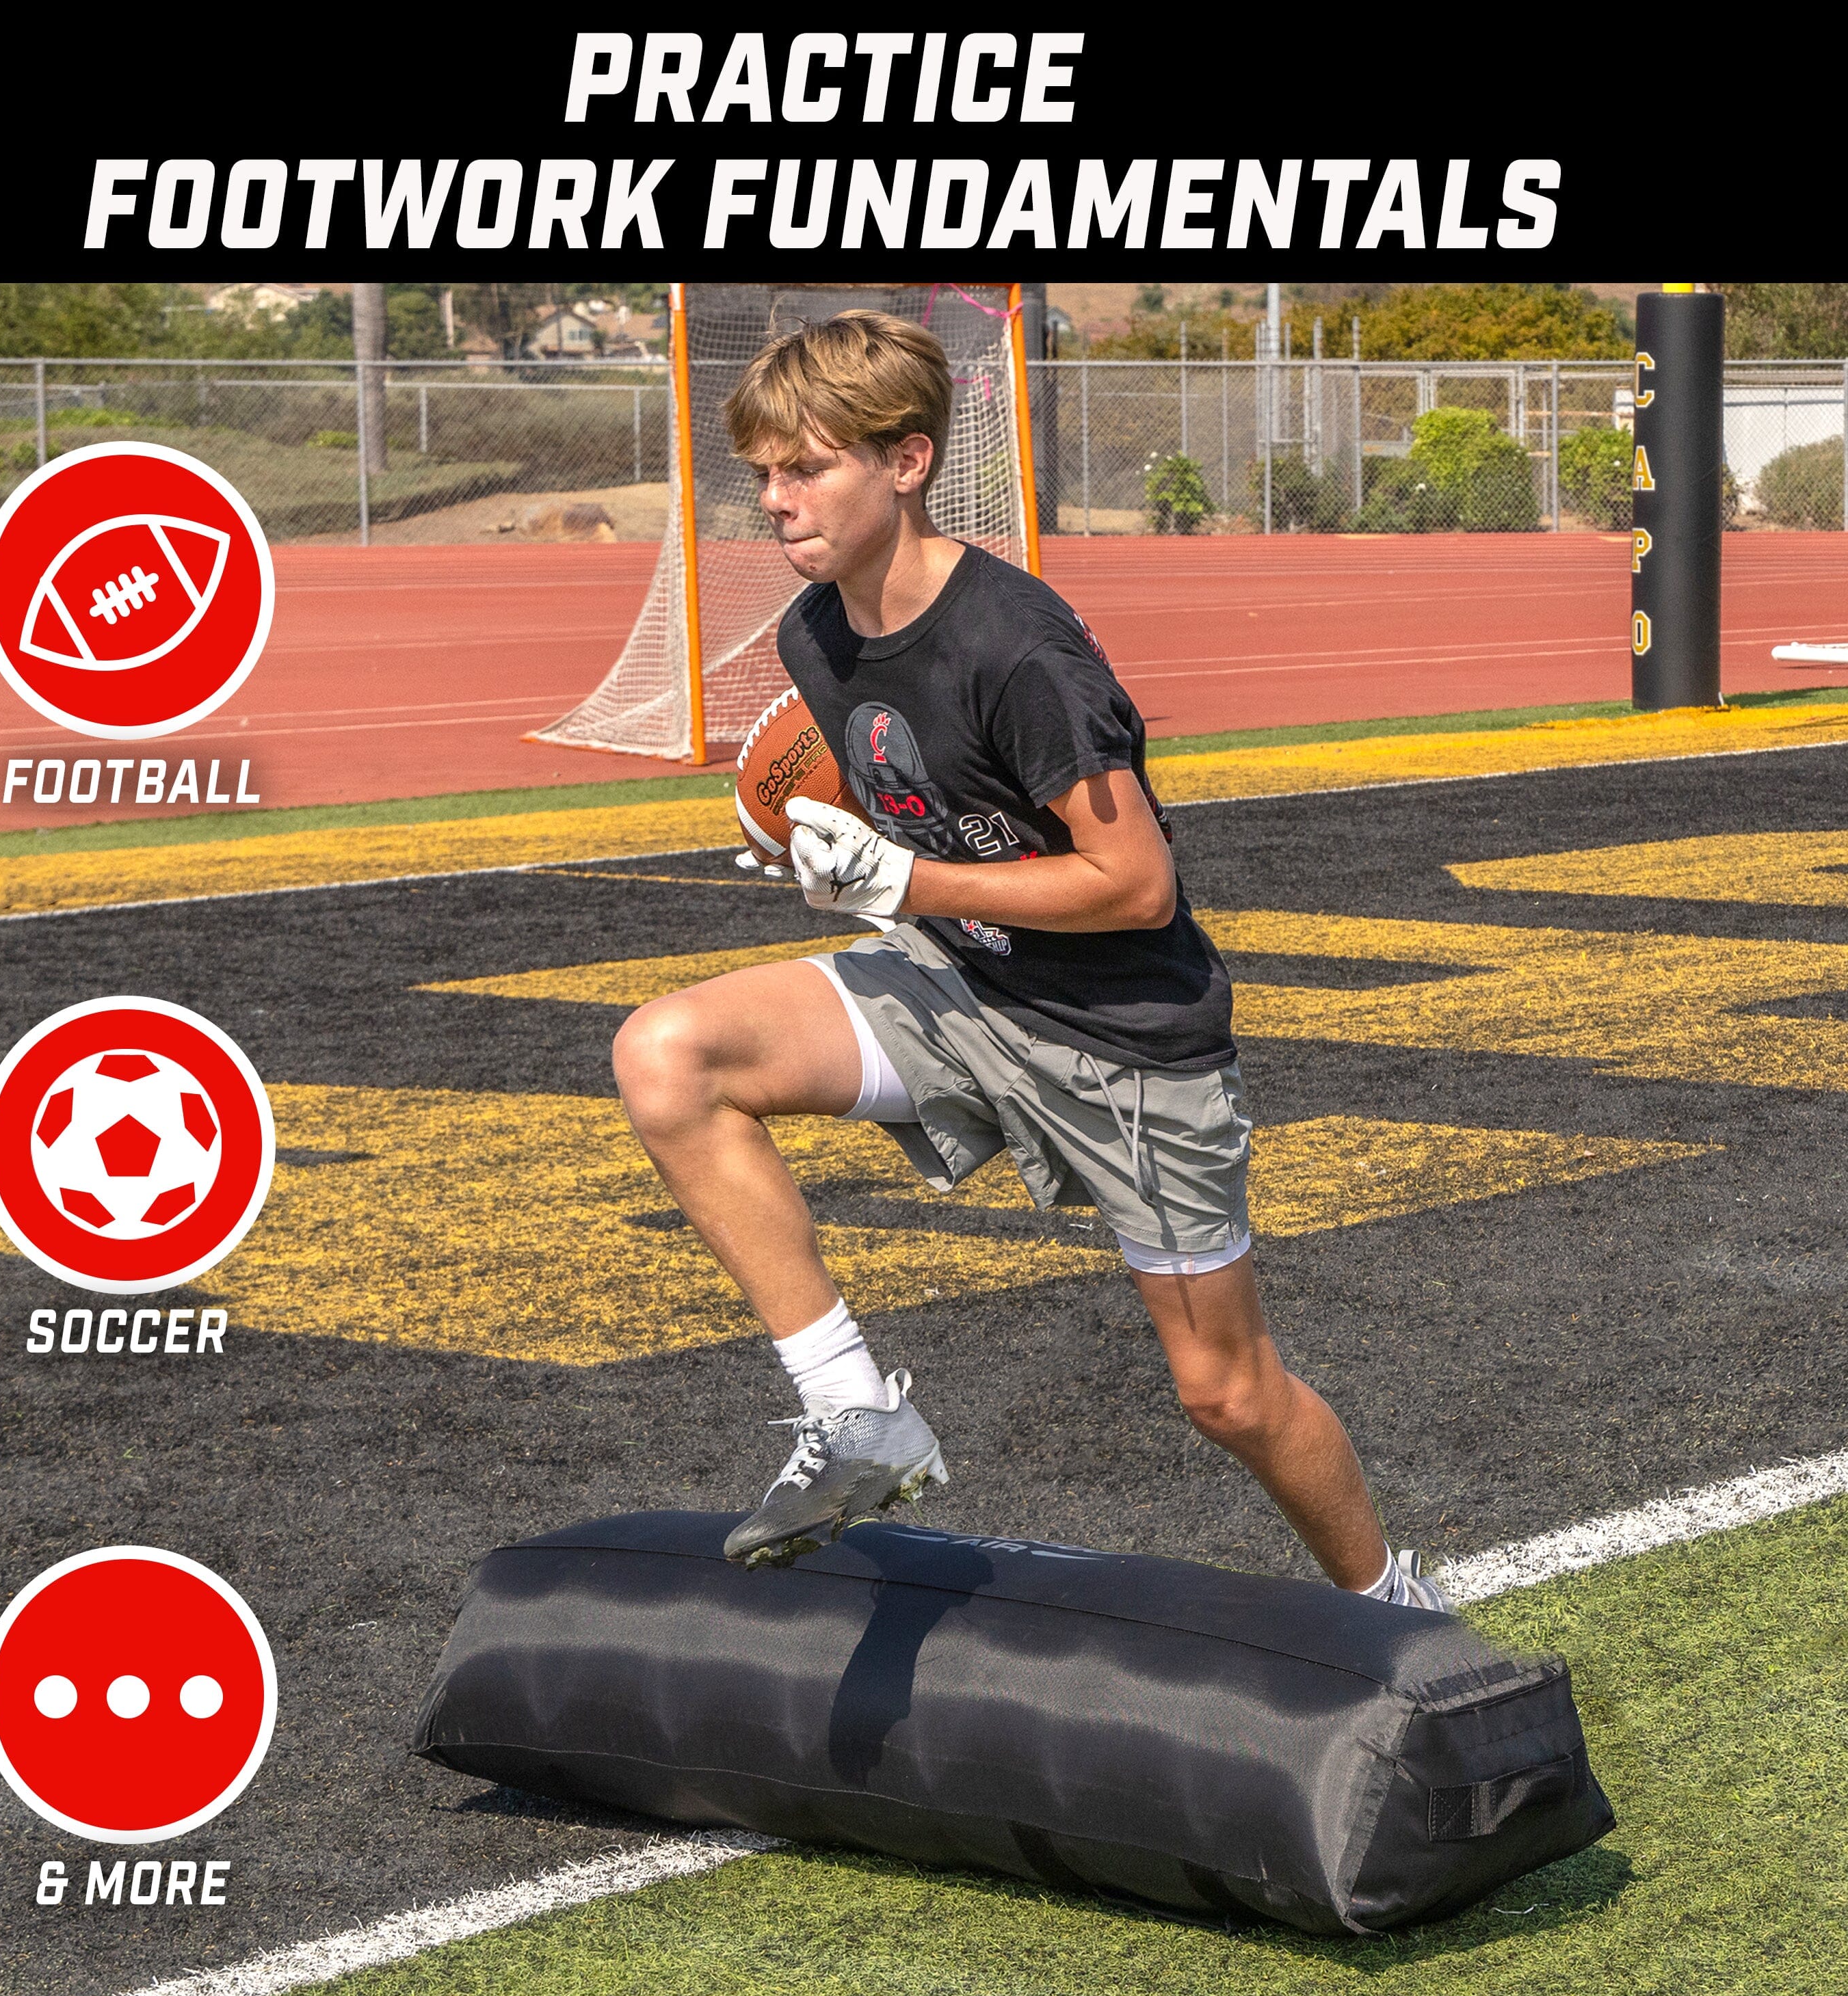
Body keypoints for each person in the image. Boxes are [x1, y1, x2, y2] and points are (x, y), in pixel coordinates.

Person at [610, 310, 1445, 1609]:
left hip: (1122, 1039)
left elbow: (1133, 884)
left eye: (807, 468)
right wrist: (835, 847)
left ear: (907, 462)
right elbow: (922, 804)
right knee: (670, 1055)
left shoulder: (1021, 645)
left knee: (1225, 1393)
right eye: (764, 474)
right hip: (960, 987)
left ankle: (1397, 1611)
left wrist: (906, 877)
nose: (775, 502)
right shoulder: (809, 638)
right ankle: (854, 1416)